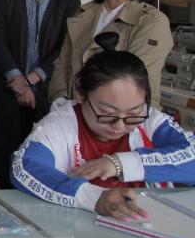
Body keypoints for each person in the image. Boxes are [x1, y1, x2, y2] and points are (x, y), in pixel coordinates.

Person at [13, 49, 195, 218]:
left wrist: (121, 163)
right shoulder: (58, 126)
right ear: (81, 94)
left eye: (133, 113)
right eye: (107, 114)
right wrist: (94, 197)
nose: (119, 126)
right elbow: (24, 167)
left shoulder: (151, 122)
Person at [0, 0, 81, 186]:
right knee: (6, 150)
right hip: (7, 87)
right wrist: (17, 80)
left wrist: (31, 79)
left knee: (42, 153)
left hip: (47, 88)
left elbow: (65, 45)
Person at [48, 0, 173, 107]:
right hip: (72, 112)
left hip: (121, 113)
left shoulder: (151, 21)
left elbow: (135, 77)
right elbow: (62, 65)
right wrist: (60, 100)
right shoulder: (82, 14)